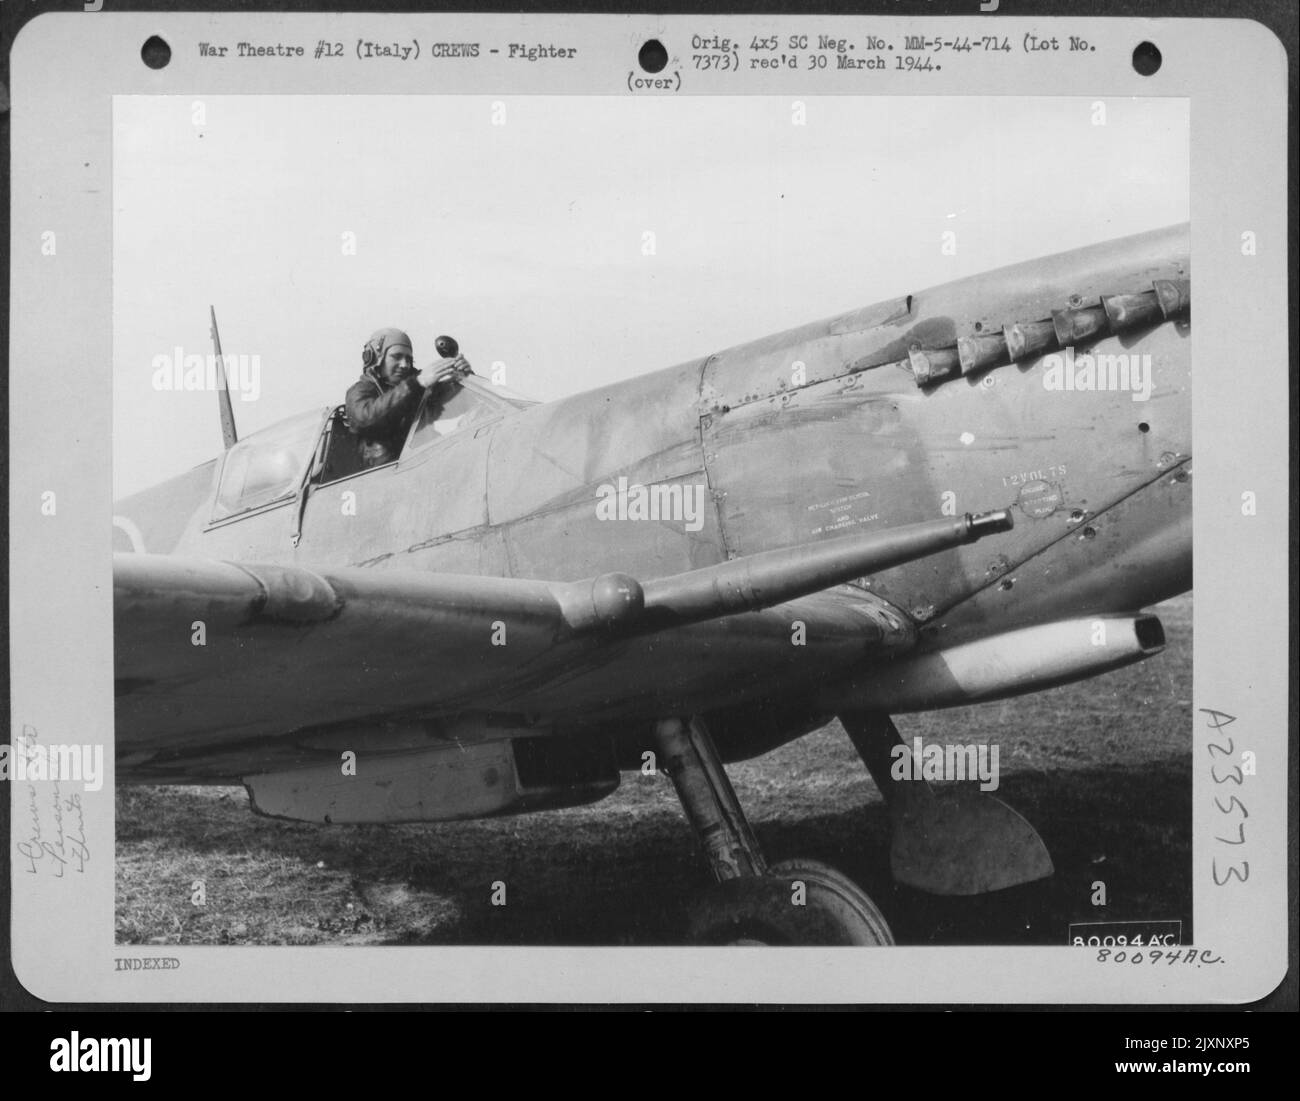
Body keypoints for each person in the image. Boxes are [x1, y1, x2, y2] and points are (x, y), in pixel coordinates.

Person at [344, 328, 467, 468]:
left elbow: (461, 406)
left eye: (409, 359)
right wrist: (417, 383)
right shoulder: (359, 391)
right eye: (396, 357)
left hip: (426, 463)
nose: (404, 365)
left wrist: (461, 375)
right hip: (387, 475)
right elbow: (366, 418)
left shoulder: (420, 386)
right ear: (376, 358)